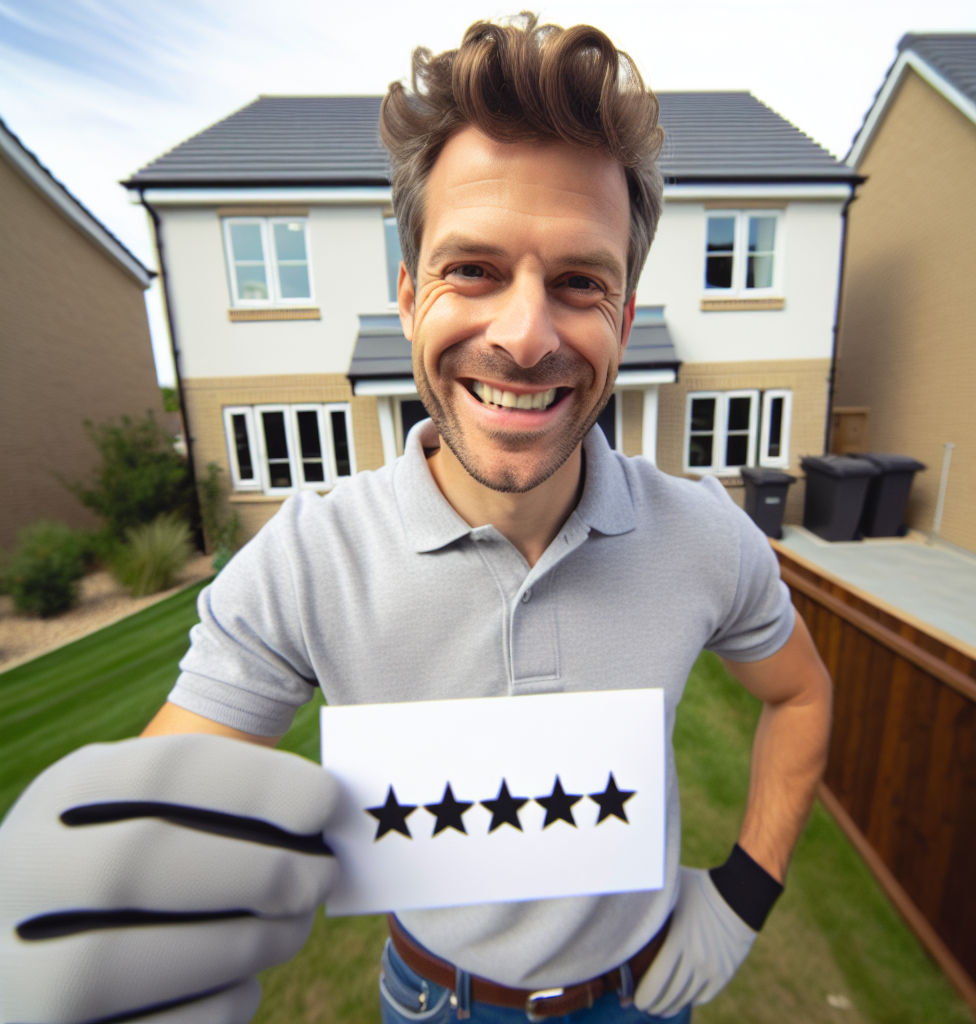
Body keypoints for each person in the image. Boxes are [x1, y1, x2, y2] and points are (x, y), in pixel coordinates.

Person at [0, 14, 832, 1024]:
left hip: (645, 997)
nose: (523, 338)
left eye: (578, 281)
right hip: (432, 1001)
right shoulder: (306, 558)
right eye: (471, 269)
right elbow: (156, 819)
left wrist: (743, 897)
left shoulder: (706, 537)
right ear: (406, 295)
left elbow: (800, 696)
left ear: (622, 316)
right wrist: (83, 910)